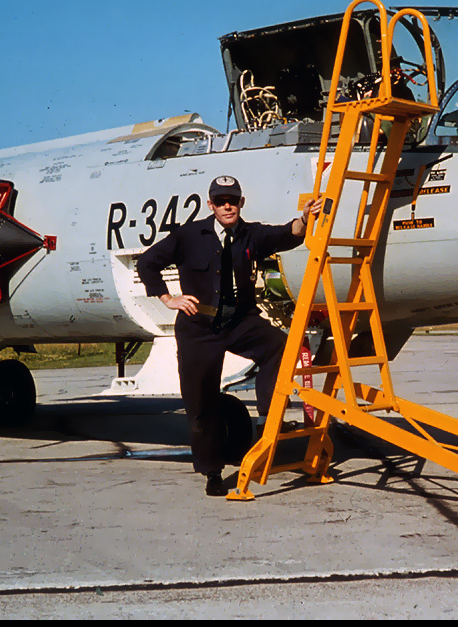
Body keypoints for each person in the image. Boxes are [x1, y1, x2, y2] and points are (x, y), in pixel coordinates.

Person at [136, 175, 321, 497]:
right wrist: (168, 299)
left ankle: (268, 417)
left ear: (240, 203)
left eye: (232, 200)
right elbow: (148, 263)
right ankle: (212, 471)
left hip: (239, 322)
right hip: (198, 327)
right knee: (201, 402)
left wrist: (305, 218)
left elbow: (287, 234)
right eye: (220, 201)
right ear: (211, 205)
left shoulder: (251, 234)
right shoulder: (189, 235)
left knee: (279, 345)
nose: (227, 206)